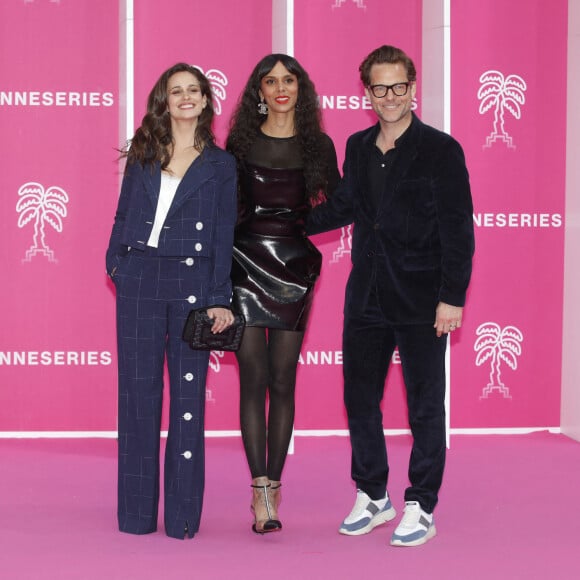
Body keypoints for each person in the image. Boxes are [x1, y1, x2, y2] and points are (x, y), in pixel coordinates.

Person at [306, 45, 475, 547]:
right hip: (366, 296)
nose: (390, 97)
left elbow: (458, 230)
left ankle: (421, 503)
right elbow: (342, 206)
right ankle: (373, 495)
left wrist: (452, 296)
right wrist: (280, 222)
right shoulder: (357, 146)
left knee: (425, 405)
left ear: (413, 88)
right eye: (379, 88)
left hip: (424, 298)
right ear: (367, 93)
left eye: (399, 86)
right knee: (360, 399)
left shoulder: (442, 150)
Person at [105, 63, 237, 539]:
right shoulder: (143, 153)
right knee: (137, 399)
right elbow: (124, 214)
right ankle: (136, 516)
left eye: (193, 90)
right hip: (139, 279)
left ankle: (182, 518)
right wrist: (116, 264)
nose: (185, 97)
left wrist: (220, 297)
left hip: (194, 285)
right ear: (165, 101)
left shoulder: (221, 165)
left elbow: (224, 235)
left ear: (205, 101)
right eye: (175, 91)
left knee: (187, 403)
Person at [226, 54, 340, 533]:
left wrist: (299, 228)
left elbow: (341, 204)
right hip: (244, 264)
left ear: (300, 88)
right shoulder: (240, 143)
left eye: (287, 80)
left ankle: (277, 483)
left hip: (293, 269)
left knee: (282, 380)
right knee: (252, 378)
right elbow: (226, 207)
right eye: (270, 81)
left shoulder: (318, 144)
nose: (279, 88)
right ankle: (260, 492)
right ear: (260, 91)